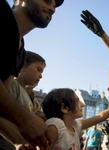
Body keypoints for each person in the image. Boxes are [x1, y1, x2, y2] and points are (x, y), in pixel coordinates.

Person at [0, 0, 64, 147]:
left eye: (54, 6)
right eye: (47, 1)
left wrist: (22, 140)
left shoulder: (20, 52)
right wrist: (24, 118)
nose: (52, 9)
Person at [41, 88, 109, 150]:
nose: (82, 104)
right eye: (77, 101)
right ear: (64, 108)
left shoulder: (75, 125)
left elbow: (100, 116)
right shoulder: (55, 126)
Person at [0, 51, 46, 150]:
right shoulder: (12, 85)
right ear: (23, 66)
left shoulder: (25, 94)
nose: (41, 76)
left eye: (42, 72)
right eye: (38, 70)